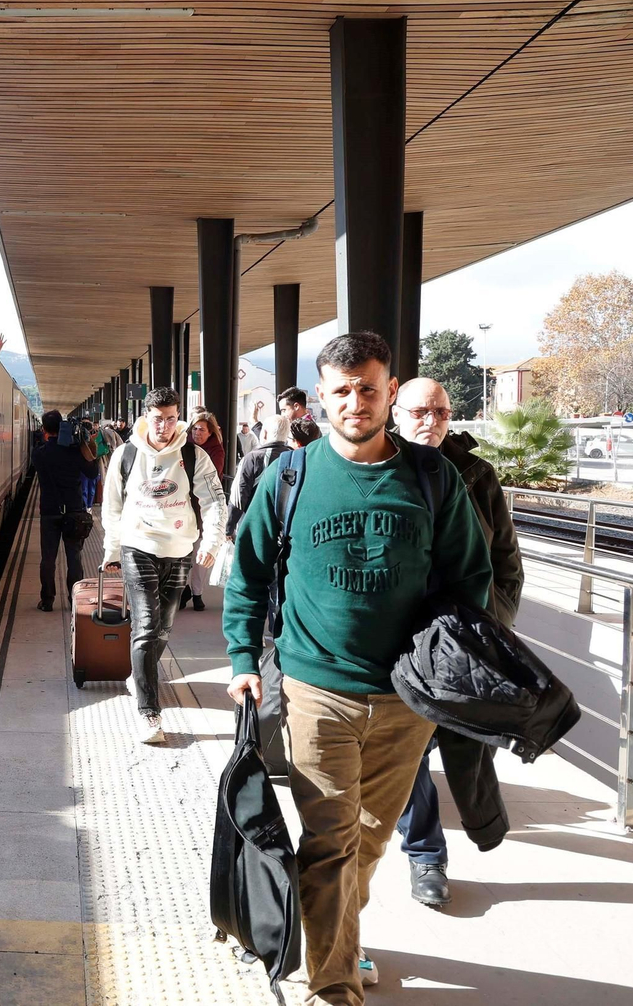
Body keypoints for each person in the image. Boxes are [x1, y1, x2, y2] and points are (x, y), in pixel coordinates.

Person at [223, 332, 491, 1004]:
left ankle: (327, 930)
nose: (354, 402)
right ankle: (334, 985)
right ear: (321, 396)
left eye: (368, 389)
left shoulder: (433, 478)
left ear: (390, 391)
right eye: (341, 391)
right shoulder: (290, 477)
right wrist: (242, 659)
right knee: (330, 840)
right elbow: (247, 575)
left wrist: (454, 666)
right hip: (316, 690)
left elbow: (472, 577)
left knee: (368, 842)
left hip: (406, 699)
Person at [390, 378, 525, 908]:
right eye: (420, 412)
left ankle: (481, 823)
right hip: (398, 637)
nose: (432, 421)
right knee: (408, 752)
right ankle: (426, 853)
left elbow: (507, 563)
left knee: (467, 742)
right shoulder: (376, 466)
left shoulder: (476, 473)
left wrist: (493, 622)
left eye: (442, 412)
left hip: (465, 635)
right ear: (396, 411)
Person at [102, 387, 227, 743]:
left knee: (164, 627)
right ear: (146, 417)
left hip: (180, 548)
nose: (165, 426)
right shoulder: (126, 454)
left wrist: (211, 543)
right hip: (137, 546)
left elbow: (215, 501)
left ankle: (139, 675)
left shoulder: (192, 454)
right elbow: (112, 507)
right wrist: (112, 551)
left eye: (171, 419)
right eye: (158, 419)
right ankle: (149, 711)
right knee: (146, 624)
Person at [31, 411, 100, 612]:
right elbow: (92, 473)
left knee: (48, 559)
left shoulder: (39, 453)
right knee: (74, 558)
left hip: (49, 511)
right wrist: (85, 445)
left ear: (44, 430)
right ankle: (74, 600)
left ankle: (47, 600)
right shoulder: (74, 451)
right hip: (74, 511)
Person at [184, 411, 228, 611]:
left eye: (202, 429)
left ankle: (197, 592)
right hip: (184, 505)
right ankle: (183, 588)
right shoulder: (183, 447)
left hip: (202, 506)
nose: (197, 433)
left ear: (210, 432)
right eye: (194, 429)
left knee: (200, 550)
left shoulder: (215, 451)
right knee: (184, 550)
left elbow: (213, 479)